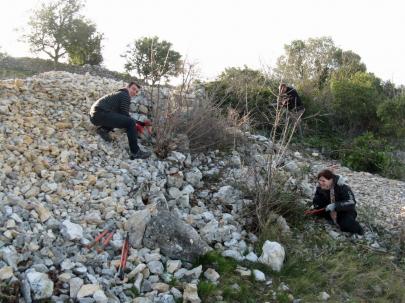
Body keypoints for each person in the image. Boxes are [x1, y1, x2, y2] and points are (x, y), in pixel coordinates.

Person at [89, 81, 150, 160]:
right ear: (127, 87)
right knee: (130, 123)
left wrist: (140, 124)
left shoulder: (119, 94)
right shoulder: (124, 95)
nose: (134, 92)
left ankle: (103, 129)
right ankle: (136, 152)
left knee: (119, 116)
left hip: (95, 115)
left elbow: (121, 116)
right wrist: (139, 125)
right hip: (100, 113)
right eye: (133, 89)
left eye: (136, 91)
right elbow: (126, 116)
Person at [312, 169, 364, 235]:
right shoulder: (320, 188)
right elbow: (316, 202)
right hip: (328, 209)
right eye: (319, 180)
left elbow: (351, 202)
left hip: (344, 211)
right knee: (314, 212)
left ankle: (359, 230)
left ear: (331, 180)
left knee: (346, 224)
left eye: (323, 181)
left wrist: (335, 205)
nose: (321, 183)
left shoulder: (342, 187)